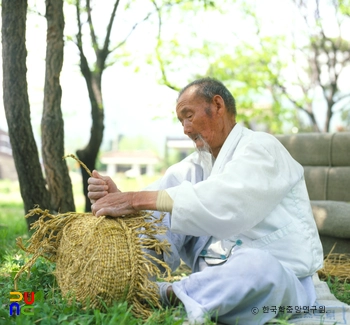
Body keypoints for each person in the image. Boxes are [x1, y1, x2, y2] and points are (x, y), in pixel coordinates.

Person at [88, 78, 324, 325]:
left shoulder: (262, 148)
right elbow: (155, 206)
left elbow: (226, 205)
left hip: (280, 280)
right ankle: (130, 280)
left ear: (218, 106)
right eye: (181, 122)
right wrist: (119, 198)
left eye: (188, 116)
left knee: (258, 265)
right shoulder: (196, 165)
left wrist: (134, 199)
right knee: (160, 210)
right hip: (213, 280)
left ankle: (162, 294)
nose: (186, 129)